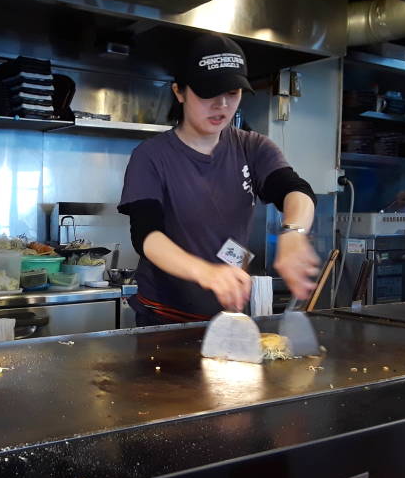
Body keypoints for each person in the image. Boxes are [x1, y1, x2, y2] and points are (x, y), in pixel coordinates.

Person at [118, 33, 319, 327]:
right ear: (179, 91)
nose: (222, 105)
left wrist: (294, 233)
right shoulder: (150, 156)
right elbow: (146, 236)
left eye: (233, 93)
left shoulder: (253, 147)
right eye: (208, 93)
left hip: (228, 316)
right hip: (163, 319)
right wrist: (206, 272)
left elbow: (295, 190)